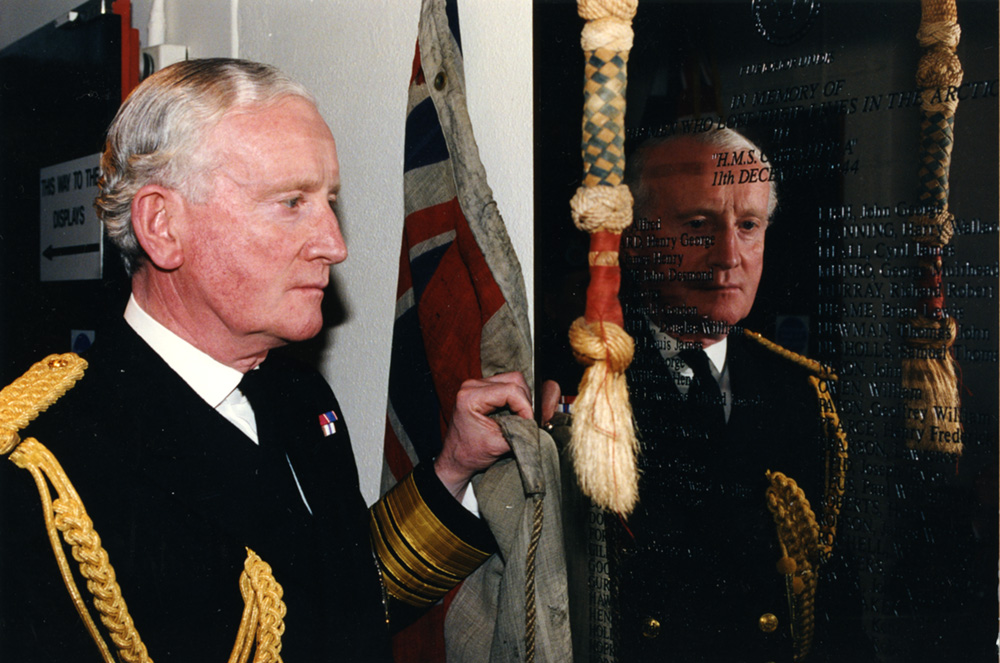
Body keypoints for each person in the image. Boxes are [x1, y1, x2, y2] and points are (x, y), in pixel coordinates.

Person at [0, 58, 531, 662]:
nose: (335, 244)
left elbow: (341, 602)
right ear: (162, 225)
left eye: (329, 201)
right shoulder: (45, 471)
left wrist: (455, 465)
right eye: (290, 203)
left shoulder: (299, 396)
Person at [555, 127, 864, 662]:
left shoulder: (802, 394)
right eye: (697, 225)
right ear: (633, 237)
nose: (728, 255)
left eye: (748, 226)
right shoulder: (580, 388)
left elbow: (839, 618)